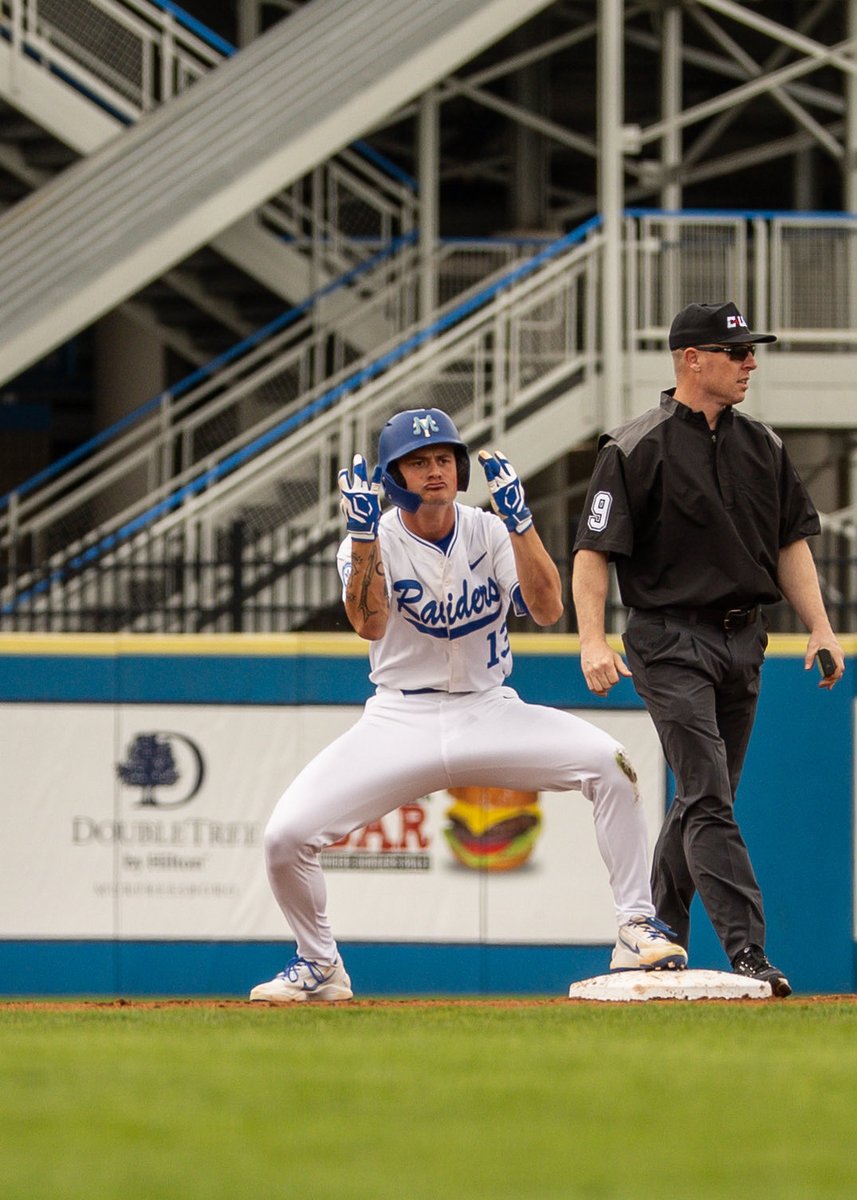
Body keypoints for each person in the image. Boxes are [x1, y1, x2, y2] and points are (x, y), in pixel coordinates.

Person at [251, 406, 687, 1002]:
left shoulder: (489, 529)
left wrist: (523, 525)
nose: (435, 471)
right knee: (284, 838)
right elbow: (370, 625)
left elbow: (548, 609)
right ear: (392, 476)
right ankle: (319, 964)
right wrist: (358, 541)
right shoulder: (371, 537)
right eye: (417, 461)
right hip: (400, 716)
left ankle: (636, 924)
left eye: (444, 459)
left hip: (489, 709)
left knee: (612, 765)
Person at [572, 301, 845, 999]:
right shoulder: (633, 445)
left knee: (702, 799)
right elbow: (592, 554)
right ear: (691, 360)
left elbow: (790, 544)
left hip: (741, 638)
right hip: (668, 637)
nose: (750, 362)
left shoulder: (765, 445)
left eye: (750, 352)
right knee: (709, 796)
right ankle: (747, 950)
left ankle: (653, 930)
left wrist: (818, 625)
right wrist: (592, 640)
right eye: (737, 353)